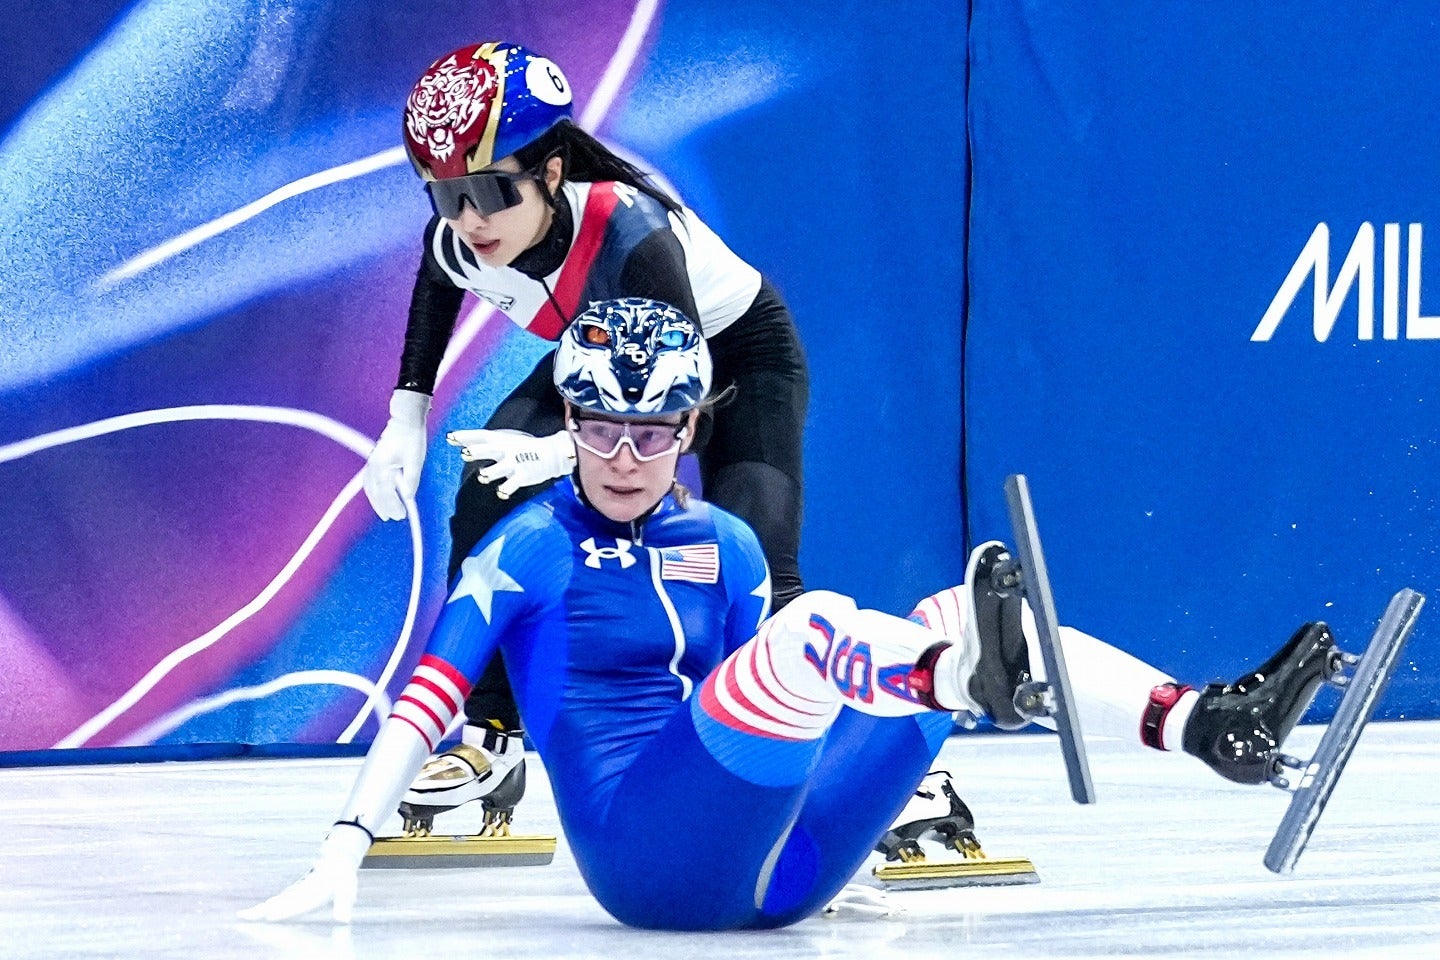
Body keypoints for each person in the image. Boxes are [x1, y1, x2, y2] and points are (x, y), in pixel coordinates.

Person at [243, 298, 1342, 929]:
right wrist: (349, 843)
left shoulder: (719, 546)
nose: (626, 457)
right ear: (568, 421)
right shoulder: (530, 546)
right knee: (822, 637)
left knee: (949, 608)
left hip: (784, 871)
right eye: (601, 428)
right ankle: (963, 682)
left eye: (656, 430)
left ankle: (1208, 726)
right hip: (649, 868)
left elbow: (770, 730)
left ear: (692, 429)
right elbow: (426, 701)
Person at [360, 40, 809, 826]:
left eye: (491, 191)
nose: (469, 221)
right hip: (600, 353)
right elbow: (438, 282)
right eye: (446, 196)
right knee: (488, 499)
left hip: (724, 356)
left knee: (757, 554)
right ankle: (490, 741)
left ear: (552, 173)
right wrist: (406, 420)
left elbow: (674, 388)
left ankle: (870, 773)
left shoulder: (632, 234)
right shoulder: (462, 238)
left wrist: (569, 450)